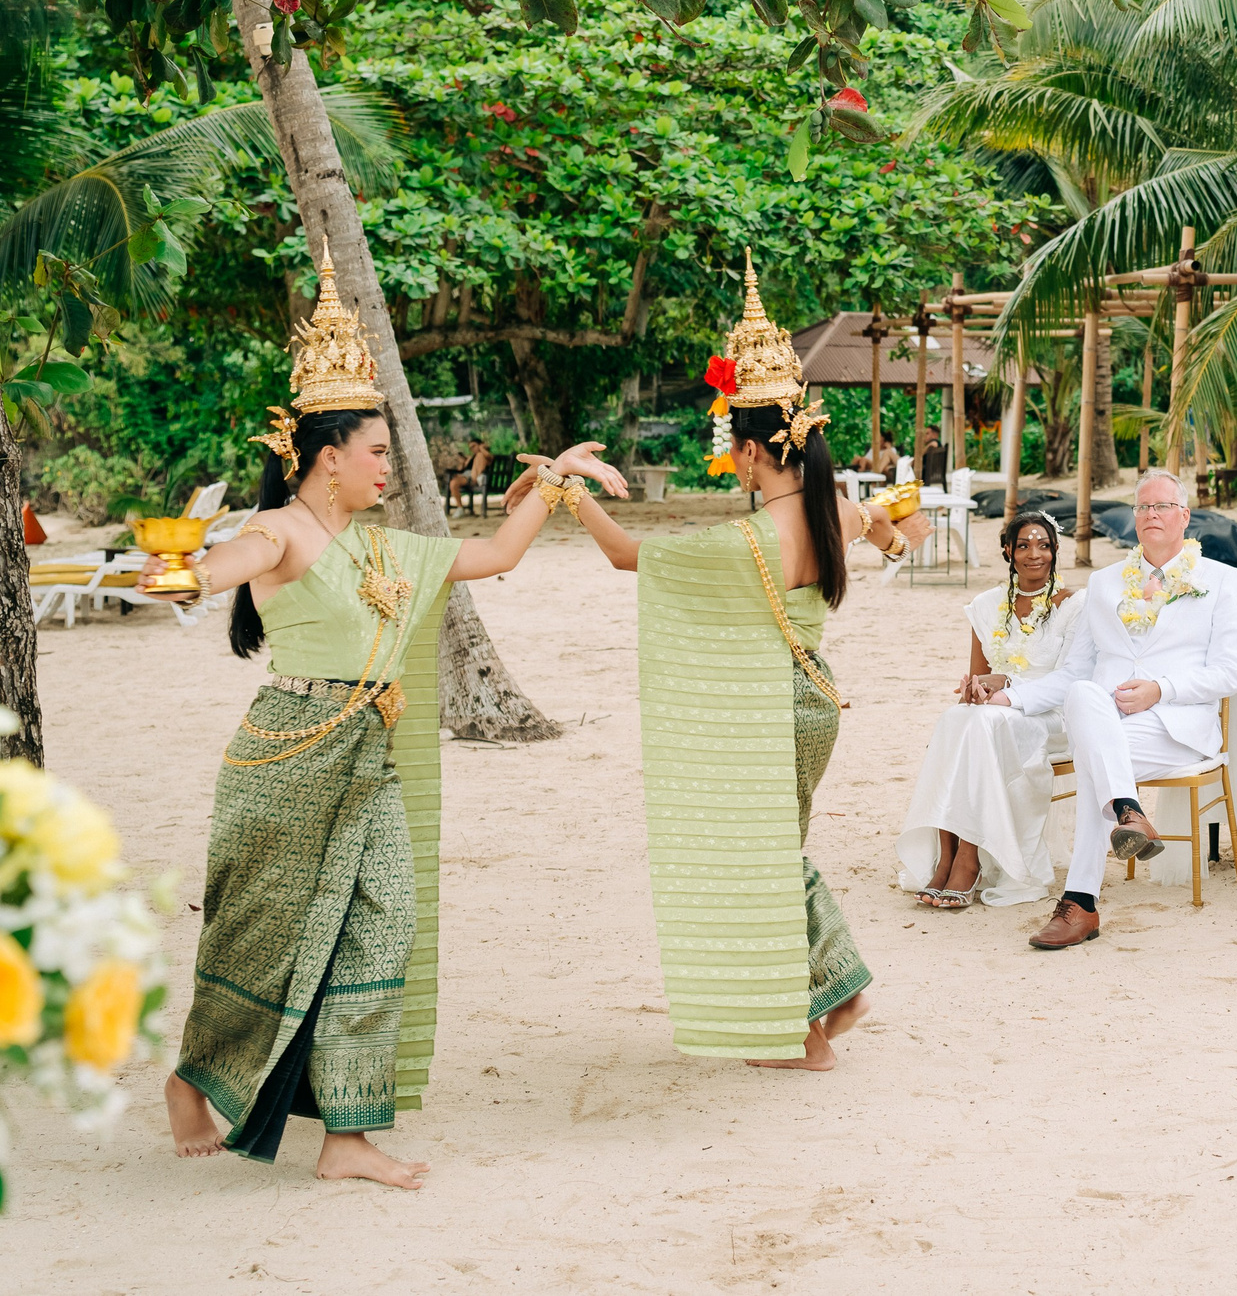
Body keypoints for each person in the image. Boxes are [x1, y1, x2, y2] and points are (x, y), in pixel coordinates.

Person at [152, 247, 621, 1188]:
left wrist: (557, 482)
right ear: (330, 457)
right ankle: (192, 1078)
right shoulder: (282, 530)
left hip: (367, 756)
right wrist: (178, 570)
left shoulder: (386, 547)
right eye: (376, 452)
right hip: (286, 754)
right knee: (258, 932)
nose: (389, 467)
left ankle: (347, 1137)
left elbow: (492, 555)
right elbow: (222, 563)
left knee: (383, 927)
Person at [553, 258, 930, 1069]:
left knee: (755, 861)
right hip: (816, 699)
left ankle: (816, 1022)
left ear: (756, 451)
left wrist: (566, 485)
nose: (731, 459)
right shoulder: (834, 509)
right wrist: (900, 535)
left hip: (770, 706)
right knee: (772, 854)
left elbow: (628, 555)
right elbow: (886, 528)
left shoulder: (751, 539)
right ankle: (830, 997)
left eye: (733, 445)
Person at [977, 469, 1237, 951]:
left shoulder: (1222, 581)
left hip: (1174, 726)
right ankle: (1127, 815)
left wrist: (1159, 690)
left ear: (1184, 515)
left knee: (1095, 761)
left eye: (1162, 506)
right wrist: (1011, 696)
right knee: (1083, 694)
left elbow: (1229, 674)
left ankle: (1081, 900)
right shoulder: (1103, 584)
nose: (1151, 515)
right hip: (1104, 718)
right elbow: (1071, 675)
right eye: (1142, 507)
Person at [895, 510, 1087, 908]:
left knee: (984, 726)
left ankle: (969, 859)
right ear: (1007, 551)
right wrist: (974, 688)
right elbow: (978, 678)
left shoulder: (1074, 605)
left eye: (1044, 545)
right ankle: (945, 857)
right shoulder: (987, 605)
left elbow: (1071, 679)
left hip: (1047, 714)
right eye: (1023, 545)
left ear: (1055, 551)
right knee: (955, 717)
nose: (1035, 554)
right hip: (993, 712)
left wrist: (1010, 686)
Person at [445, 435, 493, 510]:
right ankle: (460, 507)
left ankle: (460, 508)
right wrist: (462, 462)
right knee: (453, 482)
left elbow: (489, 456)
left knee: (453, 483)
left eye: (474, 446)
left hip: (473, 477)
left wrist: (481, 448)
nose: (472, 449)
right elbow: (461, 469)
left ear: (480, 444)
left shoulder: (482, 455)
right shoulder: (471, 457)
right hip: (466, 475)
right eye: (470, 448)